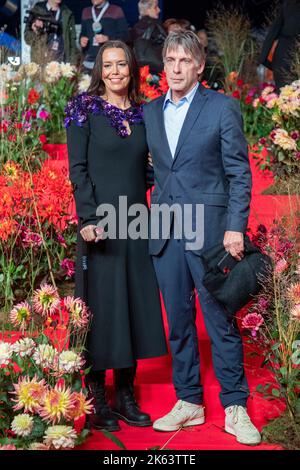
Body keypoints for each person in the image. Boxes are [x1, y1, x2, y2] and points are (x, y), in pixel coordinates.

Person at [143, 31, 261, 446]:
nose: (175, 68)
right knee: (177, 321)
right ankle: (189, 400)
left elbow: (238, 172)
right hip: (165, 231)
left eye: (183, 61)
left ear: (198, 66)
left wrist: (235, 225)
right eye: (169, 60)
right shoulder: (150, 112)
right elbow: (154, 171)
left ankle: (234, 405)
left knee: (219, 320)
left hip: (210, 231)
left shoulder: (222, 108)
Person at [65, 40, 167, 432]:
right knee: (101, 305)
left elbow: (146, 170)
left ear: (132, 68)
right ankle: (95, 394)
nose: (115, 71)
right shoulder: (82, 110)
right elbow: (78, 169)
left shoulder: (144, 114)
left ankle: (125, 392)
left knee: (134, 303)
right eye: (107, 65)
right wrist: (87, 217)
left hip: (135, 223)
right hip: (99, 224)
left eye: (121, 64)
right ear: (99, 70)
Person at [80, 0, 129, 73]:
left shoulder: (116, 10)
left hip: (109, 62)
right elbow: (83, 33)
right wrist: (82, 40)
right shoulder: (86, 11)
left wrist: (108, 39)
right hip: (89, 63)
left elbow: (125, 36)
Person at [260, 0, 300, 90]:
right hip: (284, 51)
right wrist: (263, 58)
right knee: (284, 91)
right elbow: (276, 27)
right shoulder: (287, 4)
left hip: (286, 50)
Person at [131, 0, 166, 74]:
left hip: (140, 69)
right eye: (155, 7)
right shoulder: (155, 25)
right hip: (158, 70)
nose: (159, 10)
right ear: (147, 9)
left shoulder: (135, 27)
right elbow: (167, 43)